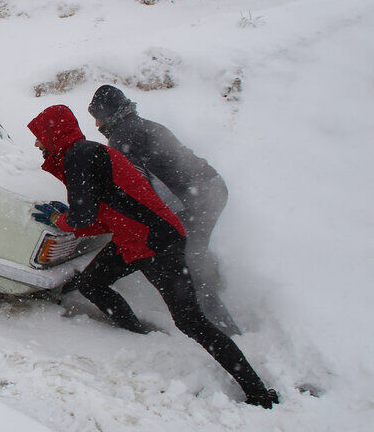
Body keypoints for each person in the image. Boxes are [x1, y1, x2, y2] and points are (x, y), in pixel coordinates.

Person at [28, 104, 278, 409]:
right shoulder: (82, 155)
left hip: (158, 241)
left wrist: (62, 220)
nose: (37, 143)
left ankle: (260, 393)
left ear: (53, 134)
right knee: (93, 283)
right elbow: (102, 215)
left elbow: (83, 216)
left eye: (39, 135)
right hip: (132, 239)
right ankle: (136, 336)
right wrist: (70, 219)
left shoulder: (79, 155)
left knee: (191, 320)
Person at [87, 85, 239, 335]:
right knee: (194, 251)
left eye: (97, 117)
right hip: (212, 188)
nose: (95, 124)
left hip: (195, 199)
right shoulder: (144, 125)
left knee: (189, 261)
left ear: (107, 113)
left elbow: (137, 185)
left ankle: (225, 329)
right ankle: (215, 289)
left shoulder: (123, 137)